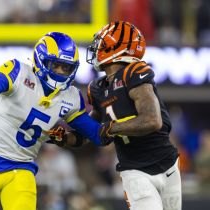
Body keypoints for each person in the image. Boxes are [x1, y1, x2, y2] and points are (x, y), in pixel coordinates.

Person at [0, 32, 109, 210]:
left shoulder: (71, 97)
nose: (61, 72)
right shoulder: (18, 72)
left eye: (67, 68)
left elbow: (95, 133)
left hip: (22, 167)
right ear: (41, 60)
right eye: (56, 65)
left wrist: (108, 112)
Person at [50, 21, 182, 210]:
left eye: (101, 43)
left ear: (116, 47)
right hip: (135, 170)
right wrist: (62, 137)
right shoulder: (96, 88)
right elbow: (95, 135)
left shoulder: (134, 73)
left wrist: (111, 128)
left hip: (168, 166)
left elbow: (152, 120)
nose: (96, 48)